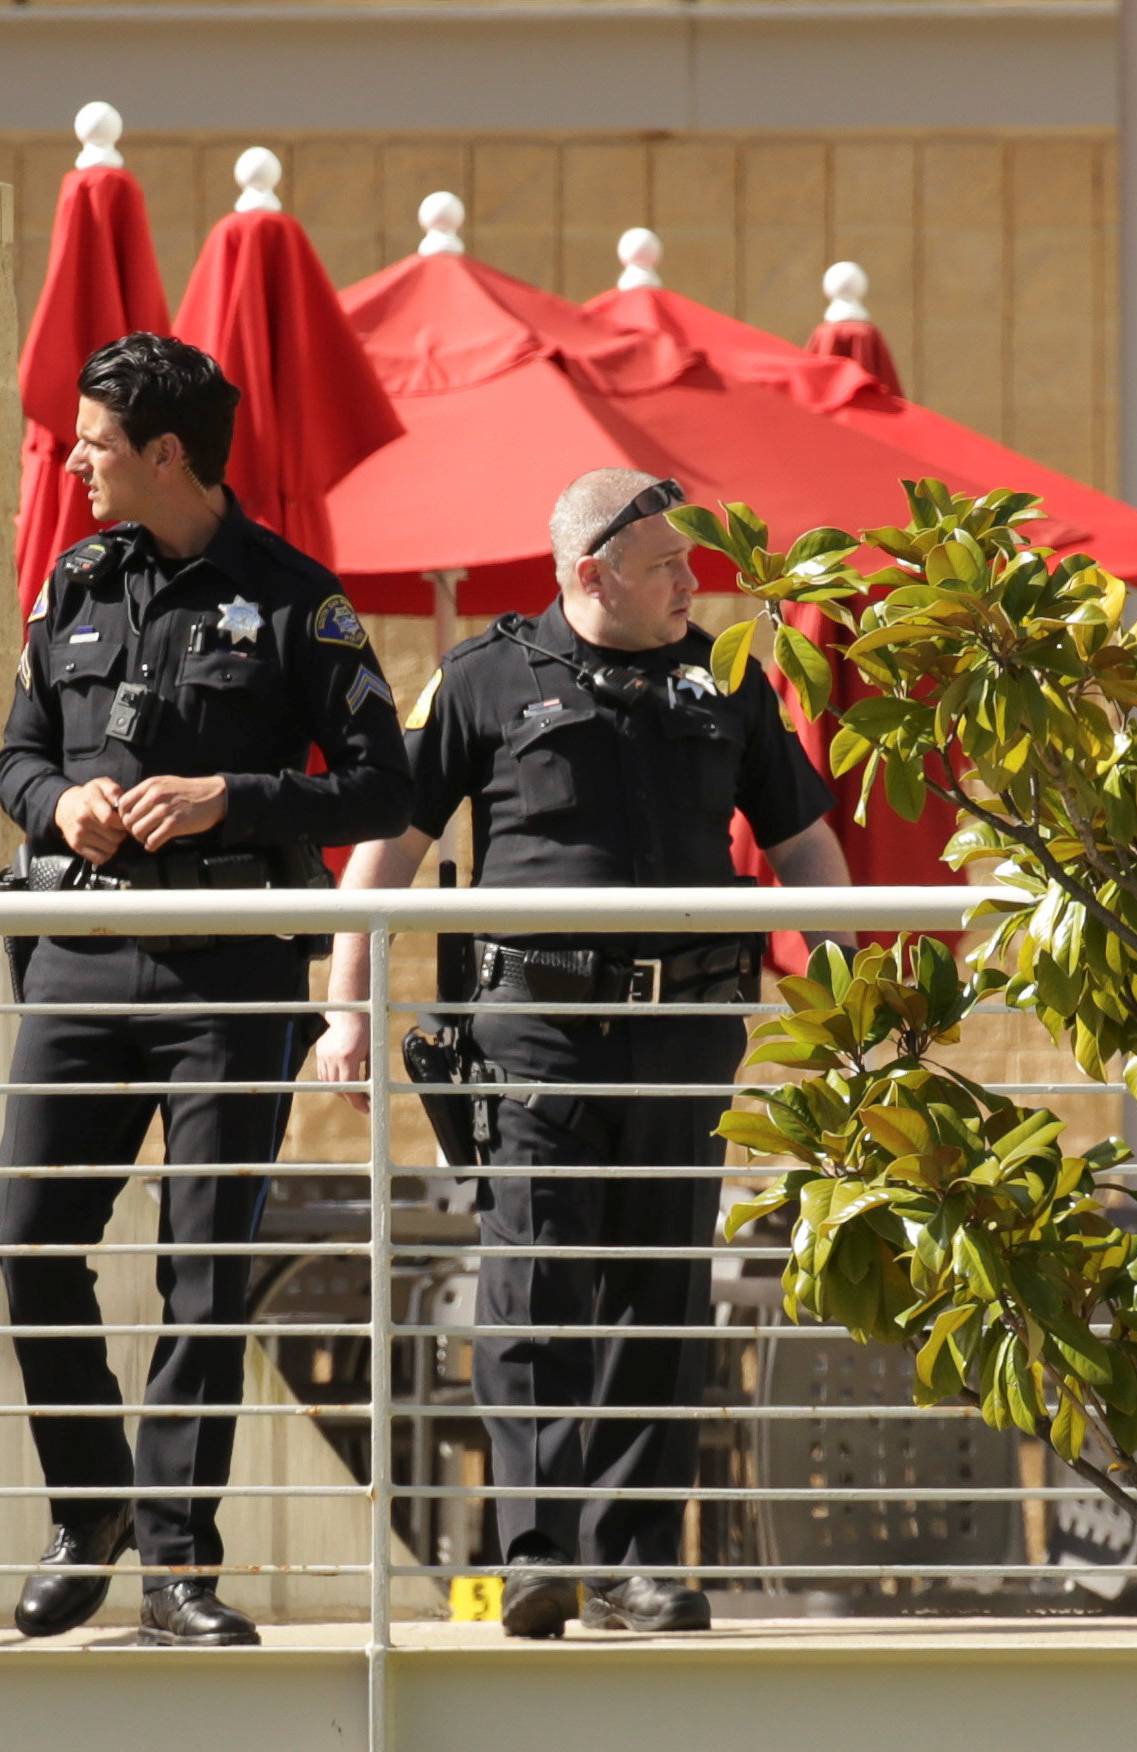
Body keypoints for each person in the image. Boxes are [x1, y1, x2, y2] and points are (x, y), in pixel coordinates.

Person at [316, 467, 849, 1640]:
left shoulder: (731, 677)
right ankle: (537, 1552)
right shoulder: (483, 678)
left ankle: (636, 1559)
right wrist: (346, 1006)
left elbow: (806, 844)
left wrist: (847, 983)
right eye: (668, 564)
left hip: (687, 1031)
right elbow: (385, 850)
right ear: (589, 572)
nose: (692, 580)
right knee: (533, 1284)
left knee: (658, 1293)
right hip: (536, 1031)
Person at [0, 333, 412, 1646]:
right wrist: (60, 802)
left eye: (96, 440)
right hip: (77, 956)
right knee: (23, 1238)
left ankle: (181, 1565)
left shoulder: (296, 599)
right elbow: (12, 759)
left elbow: (383, 785)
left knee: (201, 1268)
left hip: (231, 971)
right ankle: (93, 1510)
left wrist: (234, 794)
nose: (73, 458)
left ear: (165, 454)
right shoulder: (71, 582)